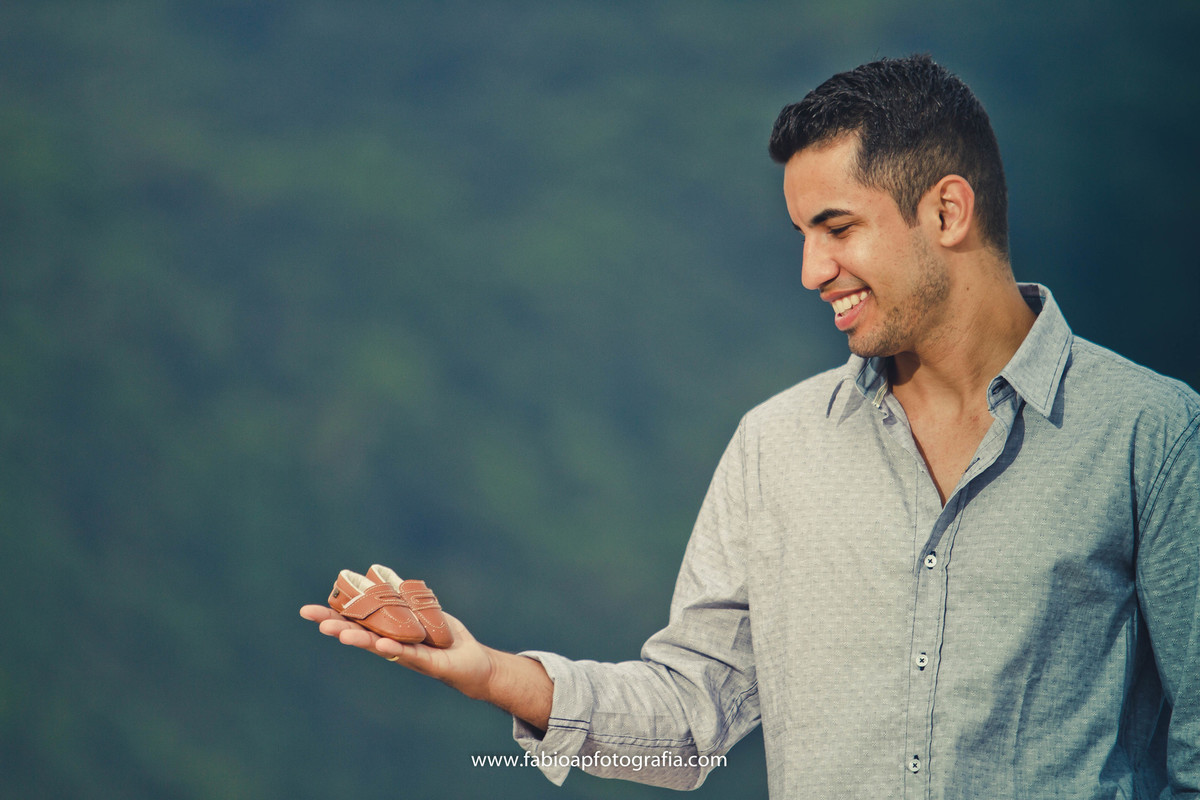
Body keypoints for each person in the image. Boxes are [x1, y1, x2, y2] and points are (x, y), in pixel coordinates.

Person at [301, 54, 1200, 798]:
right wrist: (487, 669)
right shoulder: (774, 448)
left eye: (836, 227)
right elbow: (690, 723)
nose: (812, 270)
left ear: (948, 211)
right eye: (801, 233)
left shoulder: (1152, 438)